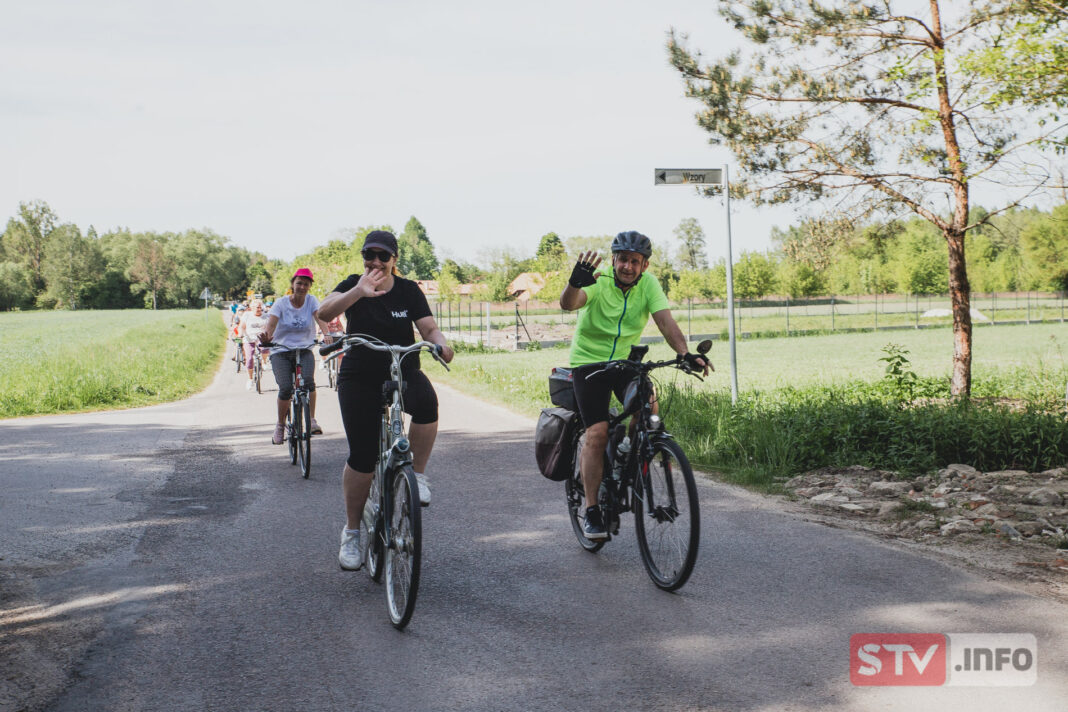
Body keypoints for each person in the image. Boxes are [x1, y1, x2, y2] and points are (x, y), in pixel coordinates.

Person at [317, 230, 454, 571]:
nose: (375, 261)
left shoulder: (408, 290)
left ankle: (417, 475)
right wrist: (358, 292)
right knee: (362, 458)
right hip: (360, 374)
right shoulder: (354, 283)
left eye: (383, 256)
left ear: (395, 260)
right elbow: (324, 311)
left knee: (427, 405)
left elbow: (428, 328)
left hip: (401, 368)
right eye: (370, 255)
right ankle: (352, 532)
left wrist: (440, 343)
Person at [560, 230, 710, 540]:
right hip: (588, 364)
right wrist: (574, 282)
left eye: (635, 261)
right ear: (614, 259)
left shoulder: (650, 285)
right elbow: (569, 305)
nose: (628, 266)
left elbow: (665, 322)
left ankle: (627, 452)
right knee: (597, 432)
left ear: (645, 266)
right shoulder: (598, 280)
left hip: (626, 362)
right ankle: (591, 511)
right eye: (623, 260)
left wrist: (684, 354)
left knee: (649, 410)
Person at [258, 268, 334, 444]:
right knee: (285, 388)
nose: (302, 286)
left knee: (309, 382)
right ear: (293, 284)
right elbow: (271, 324)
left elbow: (320, 317)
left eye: (306, 284)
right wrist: (267, 337)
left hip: (304, 348)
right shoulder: (281, 303)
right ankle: (280, 425)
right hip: (281, 351)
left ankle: (312, 420)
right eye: (299, 283)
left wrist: (326, 333)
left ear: (309, 286)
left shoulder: (312, 301)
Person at [238, 299, 269, 390]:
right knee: (249, 359)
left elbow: (270, 328)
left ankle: (264, 361)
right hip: (249, 338)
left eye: (259, 307)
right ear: (251, 308)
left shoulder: (266, 316)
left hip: (261, 338)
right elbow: (242, 326)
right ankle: (250, 379)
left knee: (264, 348)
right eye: (256, 307)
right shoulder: (247, 315)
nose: (258, 309)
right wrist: (240, 334)